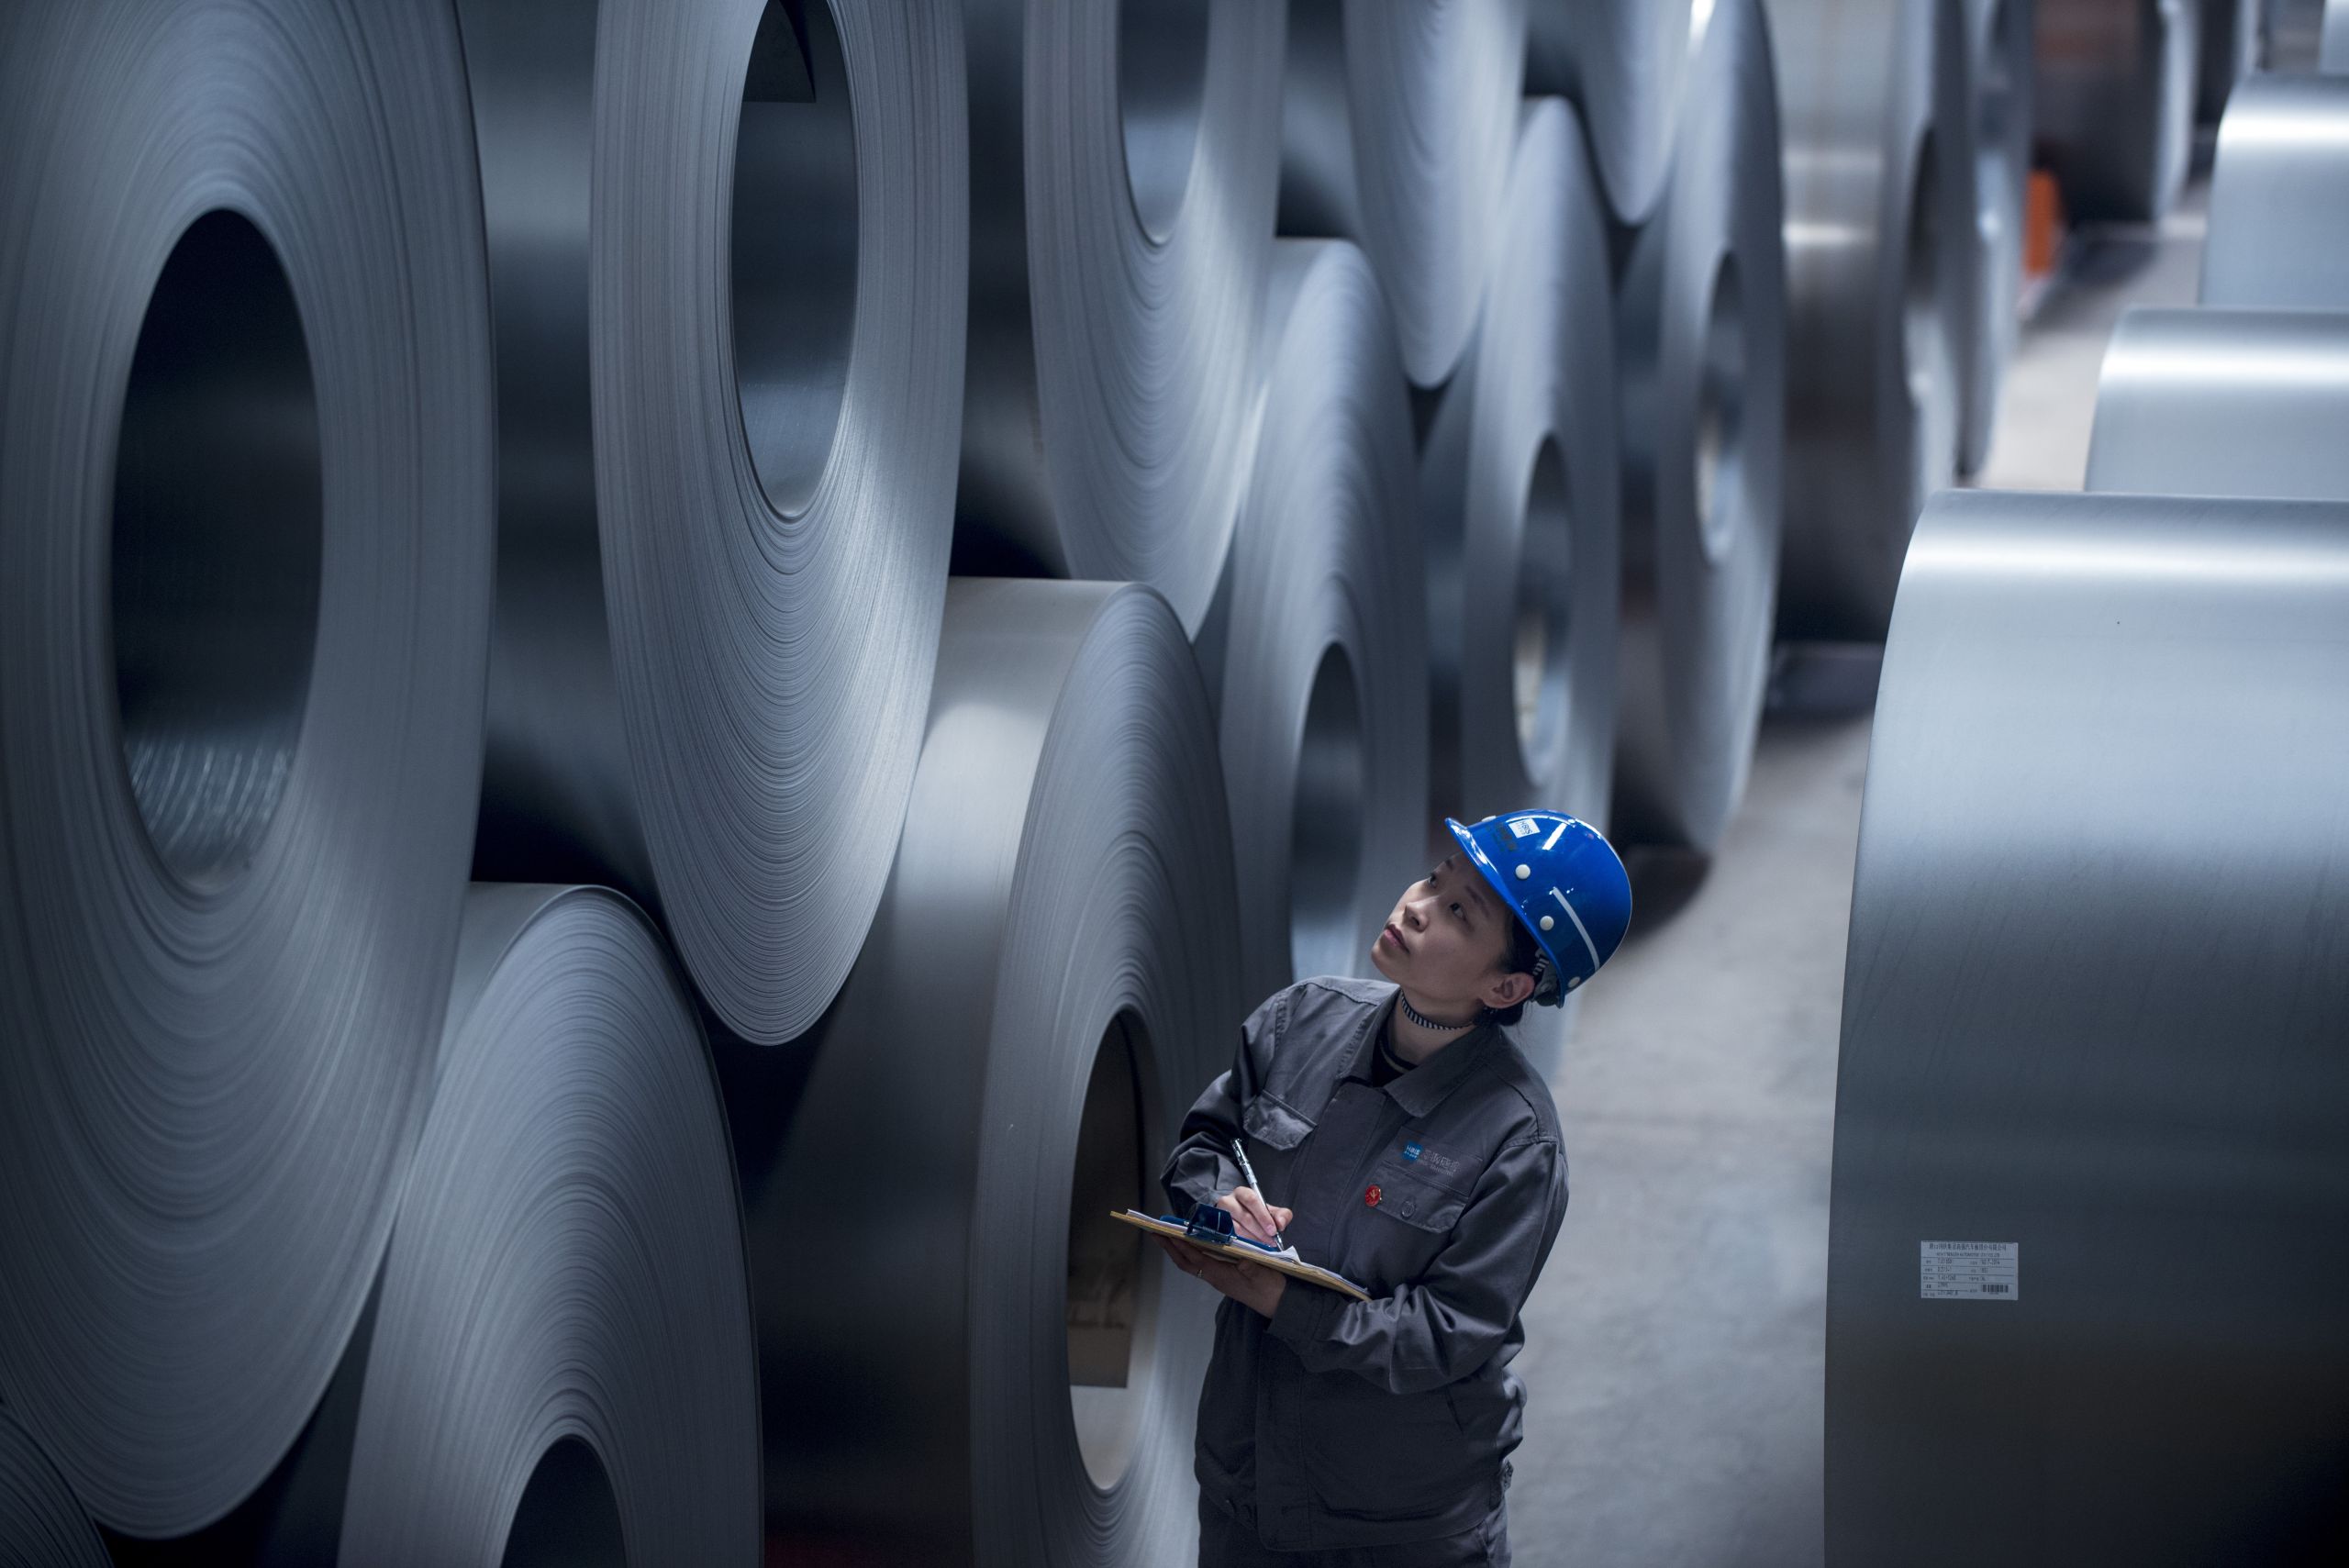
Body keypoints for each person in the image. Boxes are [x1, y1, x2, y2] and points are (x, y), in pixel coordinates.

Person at [1158, 808, 1633, 1567]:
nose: (1415, 903)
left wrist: (1282, 1299)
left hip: (1396, 1522)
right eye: (1436, 877)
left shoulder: (1517, 1140)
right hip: (1244, 1481)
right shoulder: (1301, 1017)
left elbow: (1450, 1330)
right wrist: (1216, 1201)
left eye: (1457, 912)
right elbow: (1205, 1143)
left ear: (1506, 984)